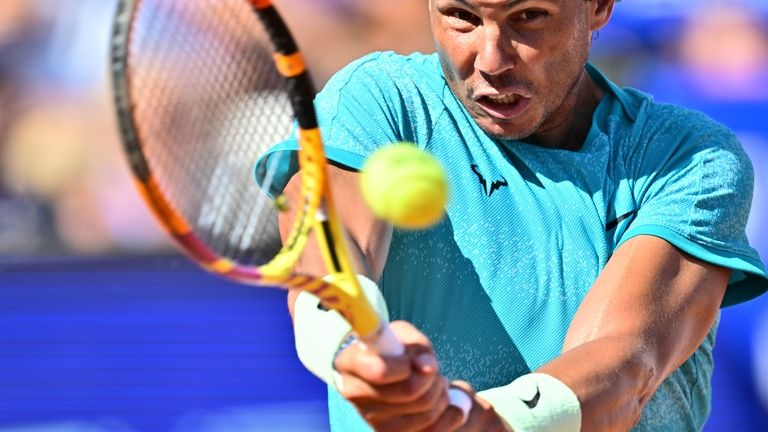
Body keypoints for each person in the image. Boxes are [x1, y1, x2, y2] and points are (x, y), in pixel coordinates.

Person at [255, 0, 768, 430]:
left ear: (598, 7)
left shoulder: (689, 156)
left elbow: (626, 362)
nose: (491, 60)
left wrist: (479, 420)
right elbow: (329, 254)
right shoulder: (377, 101)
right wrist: (350, 349)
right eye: (461, 16)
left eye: (529, 17)